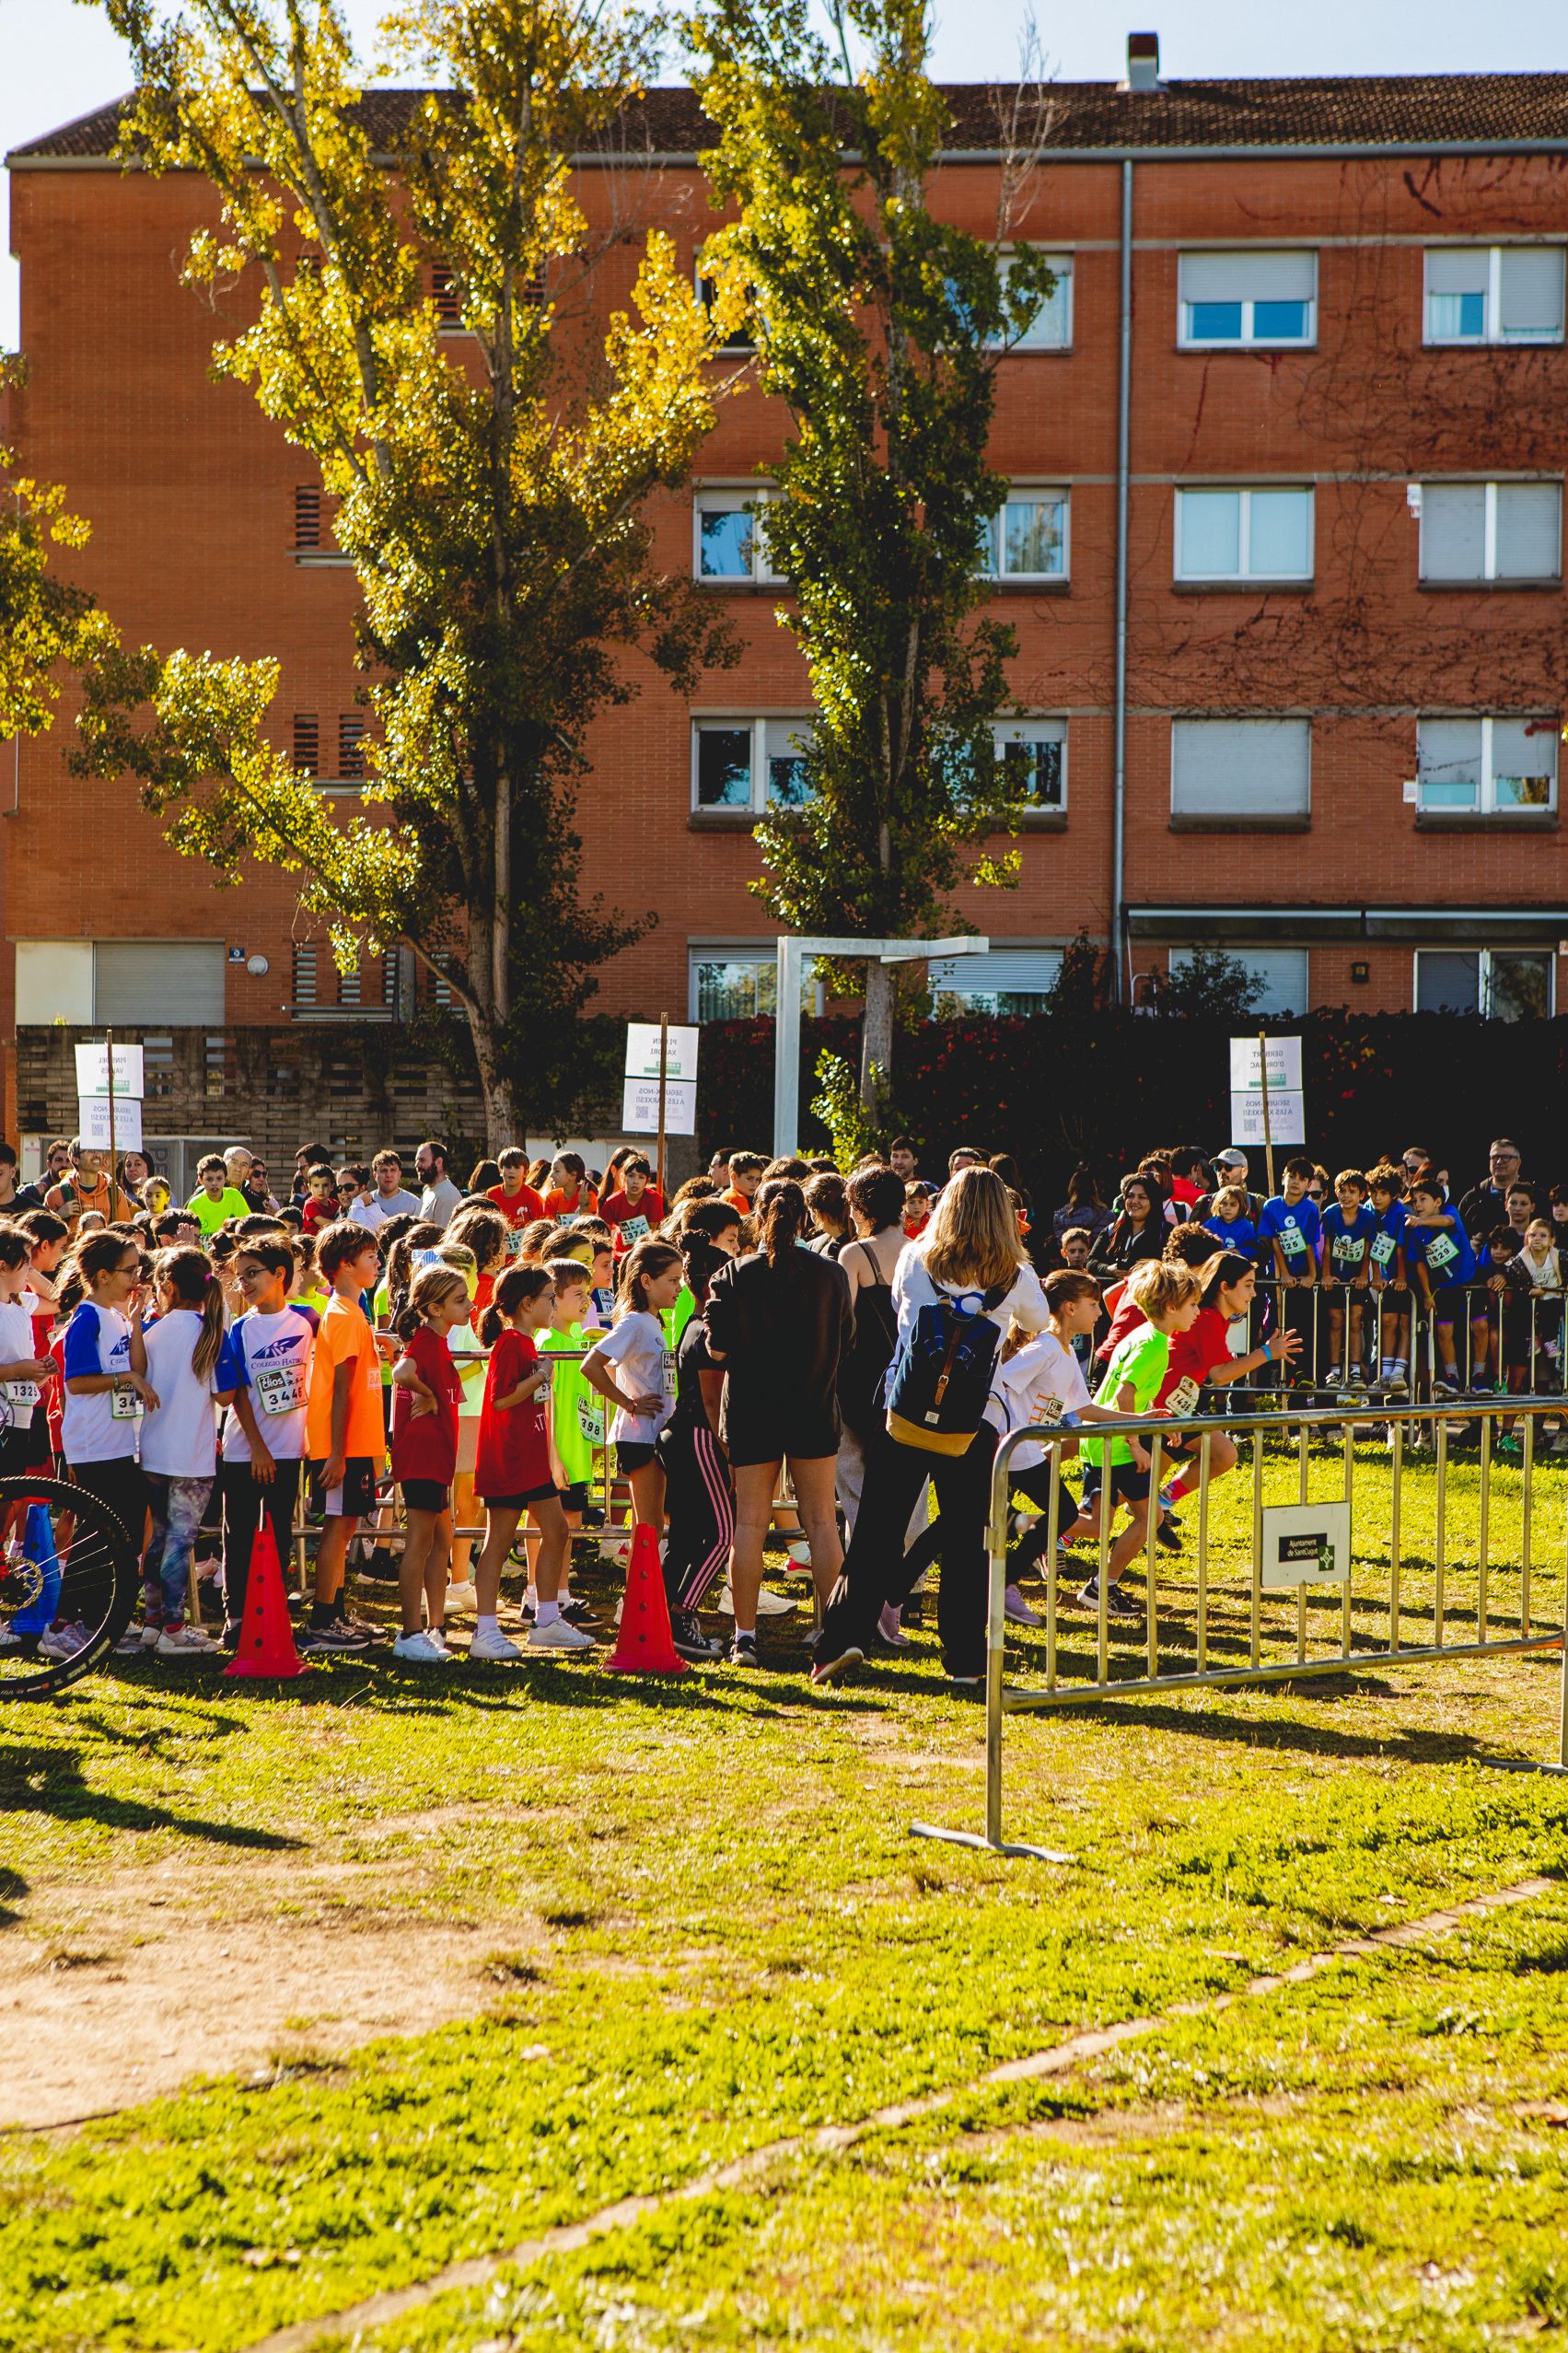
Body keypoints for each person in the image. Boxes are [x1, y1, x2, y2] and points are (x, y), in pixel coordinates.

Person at [812, 1166, 1048, 1689]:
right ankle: (964, 1657)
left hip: (905, 1413)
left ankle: (842, 1639)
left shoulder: (917, 1258)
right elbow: (1039, 1322)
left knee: (876, 1531)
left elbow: (903, 1316)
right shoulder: (1014, 1272)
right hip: (976, 1420)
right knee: (968, 1538)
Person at [703, 1179, 851, 1665]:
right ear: (805, 1217)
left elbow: (717, 1349)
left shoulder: (733, 1274)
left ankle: (744, 1636)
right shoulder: (831, 1275)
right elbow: (846, 1341)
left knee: (749, 1523)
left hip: (753, 1410)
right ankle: (832, 1632)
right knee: (822, 1525)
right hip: (812, 1406)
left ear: (757, 1217)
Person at [1057, 1257, 1203, 1613]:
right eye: (1193, 1305)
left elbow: (1135, 1394)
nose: (1198, 1313)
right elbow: (1125, 1395)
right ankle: (1101, 1588)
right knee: (1149, 1517)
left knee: (1096, 1524)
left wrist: (1157, 1420)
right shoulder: (1154, 1344)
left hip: (1100, 1438)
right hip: (1119, 1442)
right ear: (1171, 1307)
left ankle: (1026, 1528)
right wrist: (1137, 1444)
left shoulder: (1143, 1334)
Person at [474, 1264, 590, 1655]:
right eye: (549, 1298)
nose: (554, 1304)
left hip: (530, 1458)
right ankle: (486, 1630)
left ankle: (546, 1619)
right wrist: (540, 1377)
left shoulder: (525, 1343)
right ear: (527, 1304)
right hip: (509, 1460)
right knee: (499, 1542)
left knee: (557, 1531)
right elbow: (501, 1399)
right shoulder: (510, 1344)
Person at [216, 1237, 317, 1647]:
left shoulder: (309, 1320)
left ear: (280, 1274)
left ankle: (272, 1613)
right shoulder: (239, 1329)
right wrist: (257, 1446)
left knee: (278, 1537)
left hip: (291, 1450)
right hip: (245, 1451)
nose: (245, 1284)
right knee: (237, 1535)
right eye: (239, 1278)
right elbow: (238, 1392)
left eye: (252, 1274)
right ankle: (236, 1617)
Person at [61, 1231, 157, 1621]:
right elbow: (77, 1383)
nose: (137, 1278)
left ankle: (98, 1615)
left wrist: (135, 1324)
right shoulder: (86, 1317)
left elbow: (139, 1368)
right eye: (129, 1270)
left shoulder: (117, 1315)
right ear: (102, 1276)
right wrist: (127, 1381)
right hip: (93, 1442)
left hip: (119, 1441)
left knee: (125, 1527)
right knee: (99, 1531)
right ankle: (69, 1619)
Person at [137, 1247, 227, 1657]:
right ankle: (173, 1625)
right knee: (179, 1543)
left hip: (153, 1451)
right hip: (192, 1455)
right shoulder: (210, 1333)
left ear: (167, 1287)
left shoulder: (152, 1332)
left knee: (157, 1542)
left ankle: (154, 1621)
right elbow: (223, 1396)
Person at [302, 1219, 386, 1650]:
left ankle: (334, 1610)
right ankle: (321, 1620)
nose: (377, 1262)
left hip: (355, 1444)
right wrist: (336, 1453)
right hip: (343, 1446)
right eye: (370, 1256)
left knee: (348, 1524)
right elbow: (339, 1391)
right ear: (346, 1264)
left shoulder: (353, 1313)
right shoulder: (342, 1315)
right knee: (337, 1528)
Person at [655, 1234, 732, 1662]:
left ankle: (667, 1616)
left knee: (686, 1537)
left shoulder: (691, 1324)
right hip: (699, 1437)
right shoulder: (705, 1331)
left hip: (683, 1436)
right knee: (723, 1535)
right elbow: (710, 1402)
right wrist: (729, 1454)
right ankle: (682, 1614)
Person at [388, 1263, 470, 1661]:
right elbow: (401, 1371)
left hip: (436, 1455)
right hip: (422, 1455)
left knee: (442, 1539)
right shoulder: (424, 1341)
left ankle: (435, 1627)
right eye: (460, 1300)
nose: (469, 1306)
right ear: (435, 1308)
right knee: (420, 1543)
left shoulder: (437, 1340)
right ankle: (409, 1633)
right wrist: (428, 1394)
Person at [581, 1238, 683, 1534]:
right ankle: (644, 1580)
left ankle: (649, 1580)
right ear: (647, 1281)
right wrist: (628, 1403)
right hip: (640, 1435)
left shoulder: (653, 1322)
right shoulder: (635, 1322)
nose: (679, 1287)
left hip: (656, 1431)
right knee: (648, 1527)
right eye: (673, 1280)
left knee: (651, 1524)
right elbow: (591, 1364)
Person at [1402, 1174, 1483, 1397]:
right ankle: (1451, 1375)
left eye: (1423, 1199)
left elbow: (1447, 1223)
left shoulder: (1449, 1211)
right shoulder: (1415, 1229)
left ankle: (1479, 1374)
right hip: (1443, 1288)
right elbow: (1419, 1264)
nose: (1418, 1205)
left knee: (1480, 1327)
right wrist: (1428, 1294)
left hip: (1469, 1280)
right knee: (1443, 1331)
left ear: (1437, 1201)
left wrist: (1421, 1221)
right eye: (1415, 1201)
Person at [1259, 1157, 1321, 1375]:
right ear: (1283, 1177)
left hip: (1304, 1270)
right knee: (1278, 1322)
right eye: (1292, 1176)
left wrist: (1312, 1275)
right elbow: (1273, 1240)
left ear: (1308, 1184)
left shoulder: (1310, 1209)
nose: (1295, 1182)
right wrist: (1284, 1272)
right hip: (1279, 1271)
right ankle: (1279, 1374)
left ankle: (1302, 1373)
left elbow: (1310, 1244)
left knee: (1302, 1324)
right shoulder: (1271, 1205)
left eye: (1302, 1179)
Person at [1320, 1169, 1377, 1385]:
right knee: (1335, 1321)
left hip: (1355, 1279)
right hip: (1335, 1277)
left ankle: (1354, 1368)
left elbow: (1367, 1248)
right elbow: (1326, 1247)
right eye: (1342, 1191)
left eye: (1352, 1192)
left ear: (1362, 1195)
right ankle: (1334, 1370)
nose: (1347, 1196)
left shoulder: (1367, 1217)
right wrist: (1326, 1275)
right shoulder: (1331, 1214)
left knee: (1355, 1321)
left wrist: (1364, 1275)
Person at [1090, 1172, 1166, 1276]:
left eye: (1142, 1197)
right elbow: (1091, 1262)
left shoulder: (1165, 1233)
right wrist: (1106, 1269)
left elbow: (1175, 1269)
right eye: (1130, 1196)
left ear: (1154, 1201)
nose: (1134, 1201)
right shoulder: (1112, 1230)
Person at [47, 1144, 137, 1229]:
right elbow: (42, 1234)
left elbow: (125, 1234)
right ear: (75, 1159)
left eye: (98, 1150)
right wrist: (59, 1215)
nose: (97, 1155)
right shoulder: (57, 1193)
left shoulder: (115, 1193)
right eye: (90, 1151)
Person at [1458, 1139, 1527, 1242]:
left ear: (1518, 1162)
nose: (1499, 1162)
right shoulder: (1472, 1198)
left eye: (1506, 1157)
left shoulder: (1534, 1196)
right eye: (1495, 1157)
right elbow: (1457, 1235)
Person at [599, 1153, 666, 1251]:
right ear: (624, 1177)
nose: (635, 1181)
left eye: (641, 1177)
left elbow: (653, 1233)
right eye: (631, 1176)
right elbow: (604, 1235)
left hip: (645, 1251)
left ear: (647, 1180)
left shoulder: (654, 1199)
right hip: (619, 1255)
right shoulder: (611, 1202)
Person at [486, 1147, 546, 1248]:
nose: (511, 1171)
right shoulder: (491, 1194)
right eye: (508, 1167)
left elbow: (542, 1229)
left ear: (526, 1173)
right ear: (500, 1170)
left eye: (517, 1167)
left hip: (524, 1255)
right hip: (498, 1254)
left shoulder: (533, 1196)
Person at [183, 1153, 251, 1238]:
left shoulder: (235, 1196)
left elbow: (249, 1228)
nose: (214, 1183)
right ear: (200, 1180)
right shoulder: (194, 1204)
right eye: (209, 1179)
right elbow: (190, 1238)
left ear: (225, 1178)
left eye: (219, 1178)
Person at [357, 1150, 420, 1229]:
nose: (388, 1175)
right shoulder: (365, 1201)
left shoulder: (414, 1204)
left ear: (399, 1174)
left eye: (393, 1170)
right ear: (374, 1175)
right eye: (384, 1170)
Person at [414, 1139, 463, 1229]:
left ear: (439, 1162)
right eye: (416, 1160)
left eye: (422, 1160)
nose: (417, 1165)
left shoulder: (448, 1196)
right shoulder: (428, 1190)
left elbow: (445, 1238)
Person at [541, 1154, 598, 1220]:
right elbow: (549, 1227)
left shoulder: (588, 1195)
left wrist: (583, 1205)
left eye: (556, 1171)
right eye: (552, 1170)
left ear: (573, 1175)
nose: (551, 1175)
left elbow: (590, 1227)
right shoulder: (551, 1197)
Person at [299, 1162, 340, 1237]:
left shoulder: (335, 1204)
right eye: (316, 1186)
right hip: (312, 1242)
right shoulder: (310, 1204)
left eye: (325, 1185)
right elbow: (321, 1221)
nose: (321, 1190)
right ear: (309, 1187)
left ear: (332, 1186)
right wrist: (340, 1225)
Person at [721, 1152, 766, 1216]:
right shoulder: (738, 1199)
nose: (755, 1184)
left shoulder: (726, 1195)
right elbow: (745, 1226)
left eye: (757, 1179)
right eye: (749, 1178)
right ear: (733, 1176)